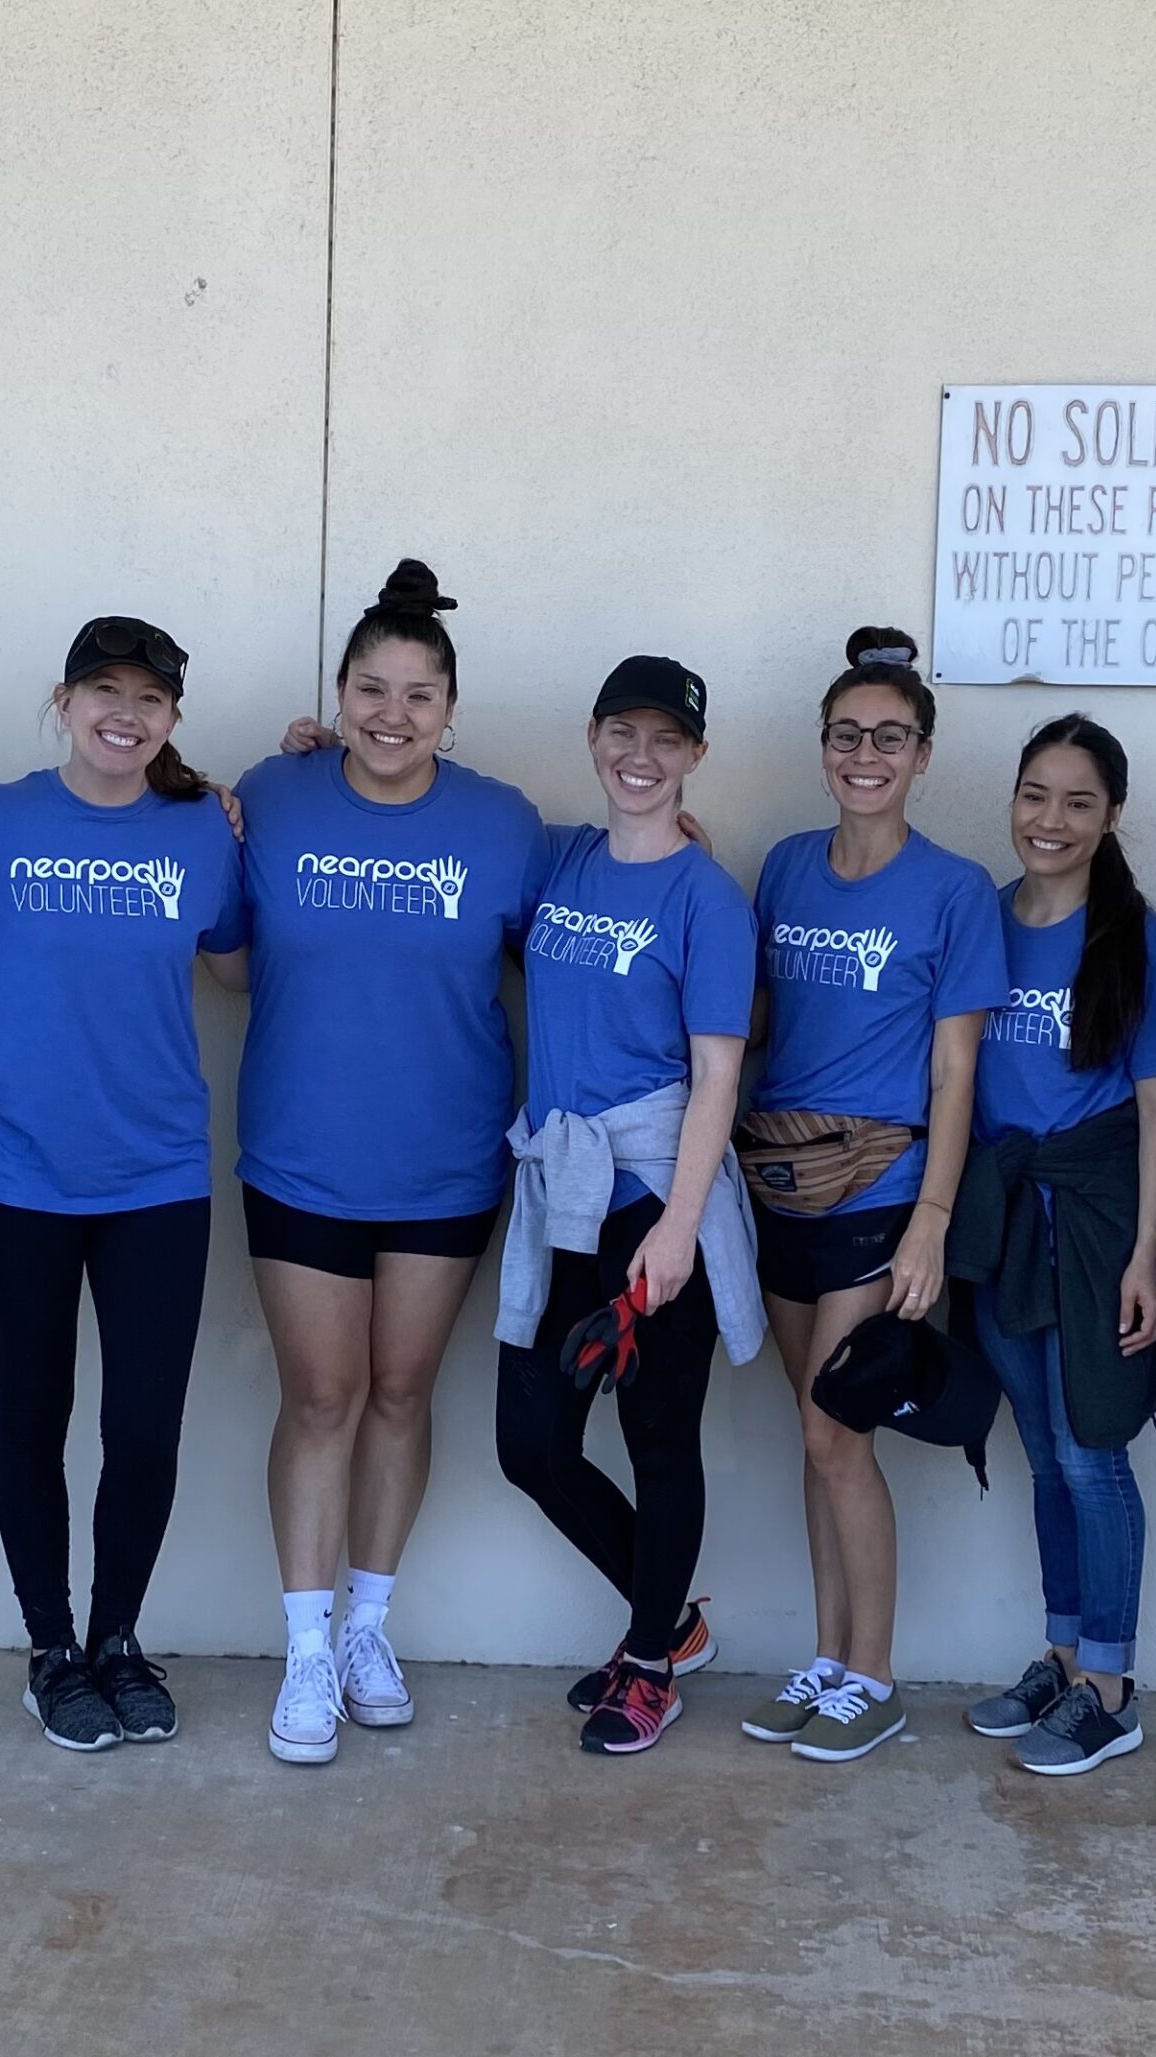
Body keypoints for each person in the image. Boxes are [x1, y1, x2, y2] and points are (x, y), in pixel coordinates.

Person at [231, 562, 553, 1766]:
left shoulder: (503, 821)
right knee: (320, 1396)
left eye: (420, 695)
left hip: (444, 1162)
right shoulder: (272, 792)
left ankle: (370, 1626)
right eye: (372, 686)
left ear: (451, 708)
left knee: (402, 1395)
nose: (393, 714)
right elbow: (224, 952)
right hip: (302, 1154)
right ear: (338, 691)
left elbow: (586, 919)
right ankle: (306, 1651)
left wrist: (683, 831)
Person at [0, 615, 247, 1754]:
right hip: (13, 1171)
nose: (126, 713)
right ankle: (49, 1648)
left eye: (150, 699)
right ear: (64, 700)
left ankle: (118, 1639)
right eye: (103, 690)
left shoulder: (203, 831)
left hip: (156, 1176)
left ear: (172, 718)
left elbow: (238, 963)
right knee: (32, 1413)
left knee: (143, 1425)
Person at [738, 630, 1005, 1766]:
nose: (864, 753)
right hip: (778, 1180)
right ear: (823, 747)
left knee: (835, 1430)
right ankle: (829, 1658)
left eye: (888, 736)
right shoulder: (786, 865)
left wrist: (932, 1218)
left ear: (922, 755)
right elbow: (749, 1027)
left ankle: (875, 1675)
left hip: (880, 1189)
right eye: (846, 733)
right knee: (817, 1439)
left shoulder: (952, 890)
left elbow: (956, 1070)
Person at [492, 656, 764, 1756]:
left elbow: (716, 1074)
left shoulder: (708, 895)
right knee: (532, 1443)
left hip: (654, 1194)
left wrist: (677, 1225)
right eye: (623, 733)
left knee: (659, 1440)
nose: (640, 757)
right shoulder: (561, 859)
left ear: (695, 753)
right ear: (594, 734)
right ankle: (673, 1620)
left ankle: (648, 1658)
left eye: (665, 739)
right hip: (563, 1190)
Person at [947, 715, 1156, 1776]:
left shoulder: (1138, 939)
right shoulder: (981, 919)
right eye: (1034, 794)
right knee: (1043, 1450)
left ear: (1113, 815)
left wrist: (1146, 1256)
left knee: (1094, 1451)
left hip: (1090, 1228)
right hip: (1001, 1217)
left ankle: (1111, 1684)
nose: (1050, 819)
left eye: (1077, 801)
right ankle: (1061, 1649)